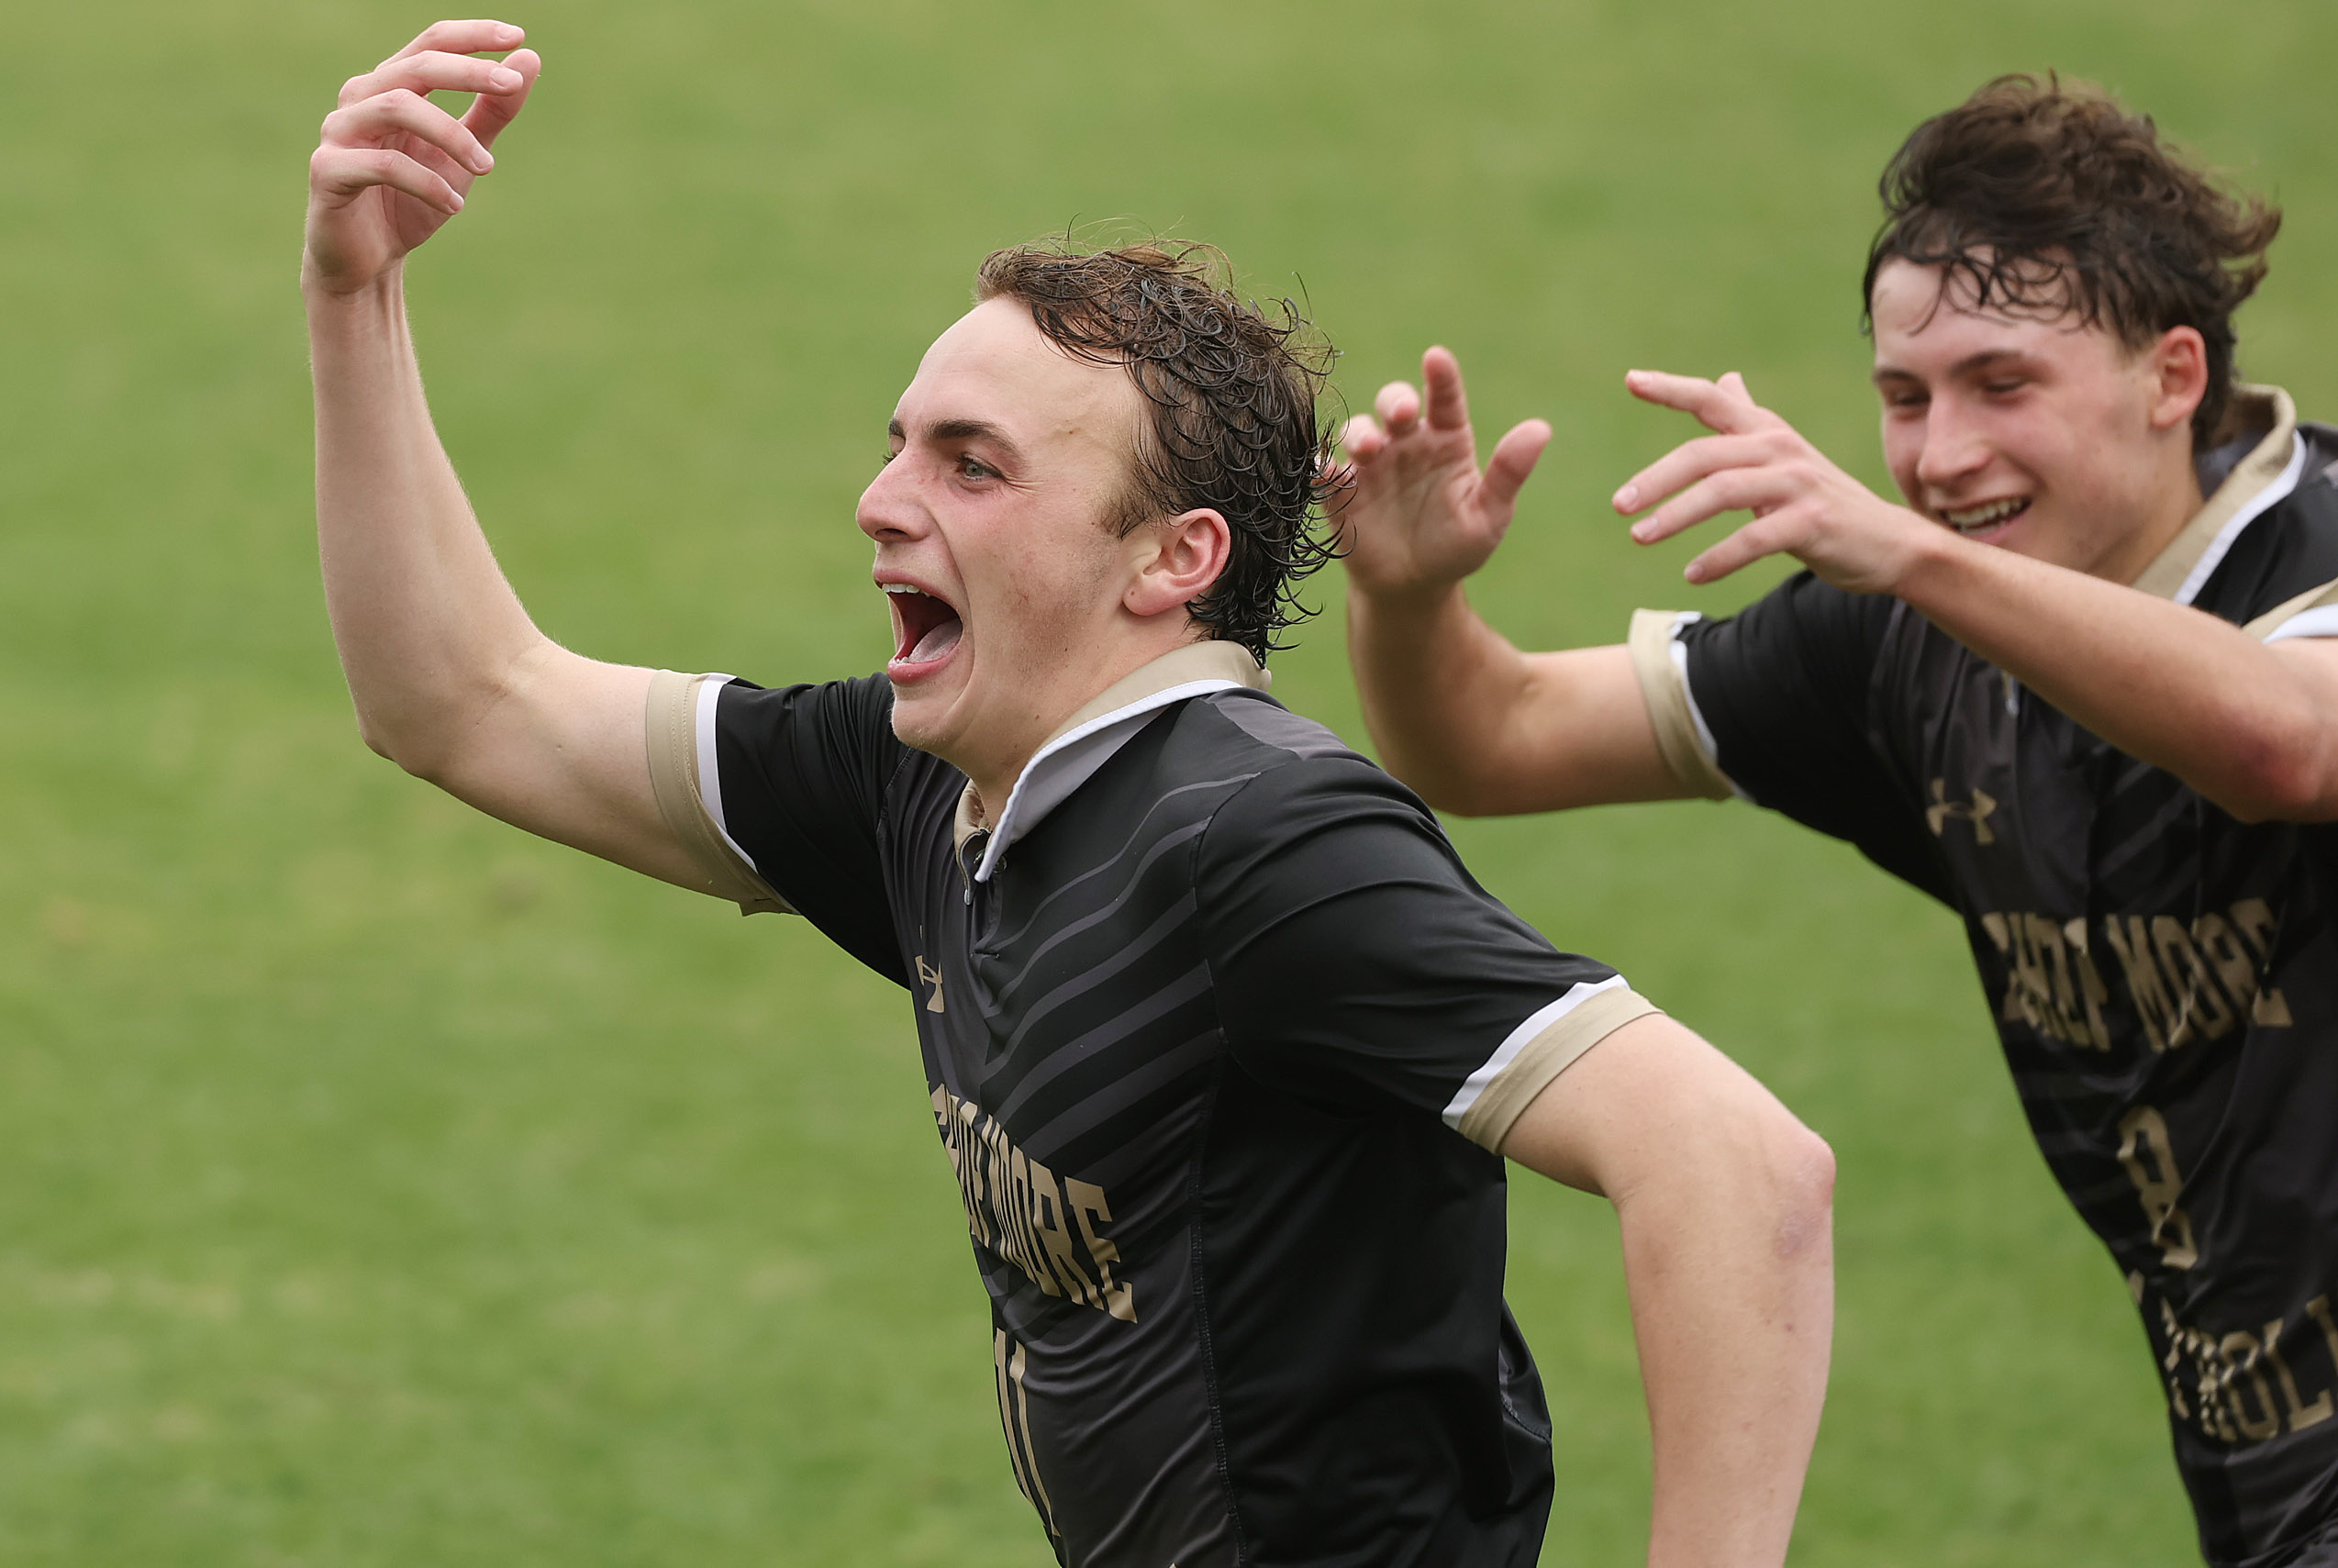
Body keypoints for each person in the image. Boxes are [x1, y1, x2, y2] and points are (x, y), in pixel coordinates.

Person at [302, 20, 1834, 1568]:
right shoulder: (931, 785)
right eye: (901, 444)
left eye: (974, 465)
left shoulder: (1260, 840)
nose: (882, 499)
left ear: (1174, 560)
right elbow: (460, 700)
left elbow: (1740, 1163)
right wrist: (356, 297)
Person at [1338, 71, 2338, 1568]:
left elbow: (2289, 744)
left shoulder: (2300, 549)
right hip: (2263, 1462)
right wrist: (1407, 597)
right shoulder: (1907, 632)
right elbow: (1490, 740)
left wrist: (1908, 562)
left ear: (2172, 374)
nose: (1939, 459)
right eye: (1903, 397)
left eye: (2005, 385)